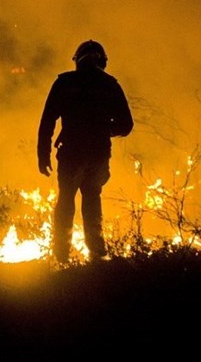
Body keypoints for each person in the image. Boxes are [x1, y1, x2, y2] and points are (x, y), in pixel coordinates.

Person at [37, 39, 134, 264]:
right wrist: (102, 129)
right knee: (92, 200)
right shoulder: (110, 85)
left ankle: (61, 256)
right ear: (103, 61)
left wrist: (43, 155)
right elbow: (126, 125)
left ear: (77, 61)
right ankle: (97, 255)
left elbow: (47, 121)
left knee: (66, 200)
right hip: (98, 155)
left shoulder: (65, 82)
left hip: (71, 154)